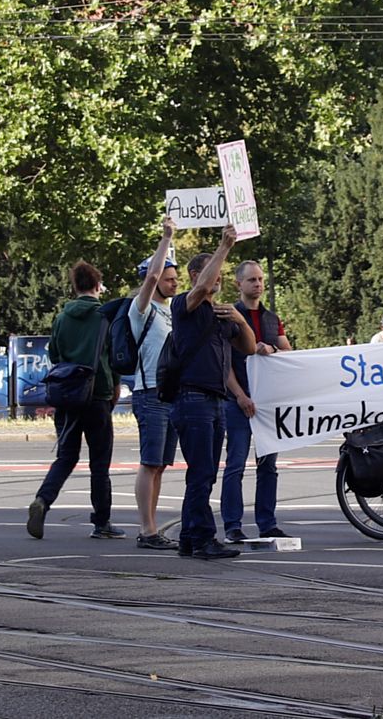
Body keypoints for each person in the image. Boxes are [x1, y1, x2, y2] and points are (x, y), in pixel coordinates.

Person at [166, 226, 257, 560]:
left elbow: (248, 348)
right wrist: (225, 246)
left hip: (215, 401)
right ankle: (203, 539)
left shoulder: (221, 313)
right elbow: (202, 288)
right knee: (202, 472)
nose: (218, 277)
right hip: (192, 398)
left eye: (220, 272)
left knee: (203, 474)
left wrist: (240, 320)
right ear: (195, 275)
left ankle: (189, 537)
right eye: (213, 271)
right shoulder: (184, 305)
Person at [26, 260, 121, 541]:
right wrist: (114, 387)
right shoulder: (105, 316)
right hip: (98, 394)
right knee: (99, 463)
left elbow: (55, 354)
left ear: (75, 286)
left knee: (66, 456)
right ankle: (101, 522)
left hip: (67, 395)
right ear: (97, 285)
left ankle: (42, 500)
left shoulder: (61, 318)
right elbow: (113, 356)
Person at [221, 259, 291, 542]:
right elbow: (224, 362)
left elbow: (290, 354)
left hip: (267, 404)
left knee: (268, 466)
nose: (258, 284)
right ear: (238, 283)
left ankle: (267, 522)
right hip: (238, 401)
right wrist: (240, 396)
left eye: (260, 279)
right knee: (236, 464)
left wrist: (272, 348)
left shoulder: (272, 318)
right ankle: (232, 525)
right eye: (252, 280)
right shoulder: (229, 316)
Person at [128, 218, 182, 550]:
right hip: (149, 393)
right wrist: (166, 238)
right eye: (169, 278)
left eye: (177, 279)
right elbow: (150, 277)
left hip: (171, 394)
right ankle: (146, 530)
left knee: (160, 465)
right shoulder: (142, 309)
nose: (175, 283)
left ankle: (152, 527)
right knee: (150, 463)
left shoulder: (171, 310)